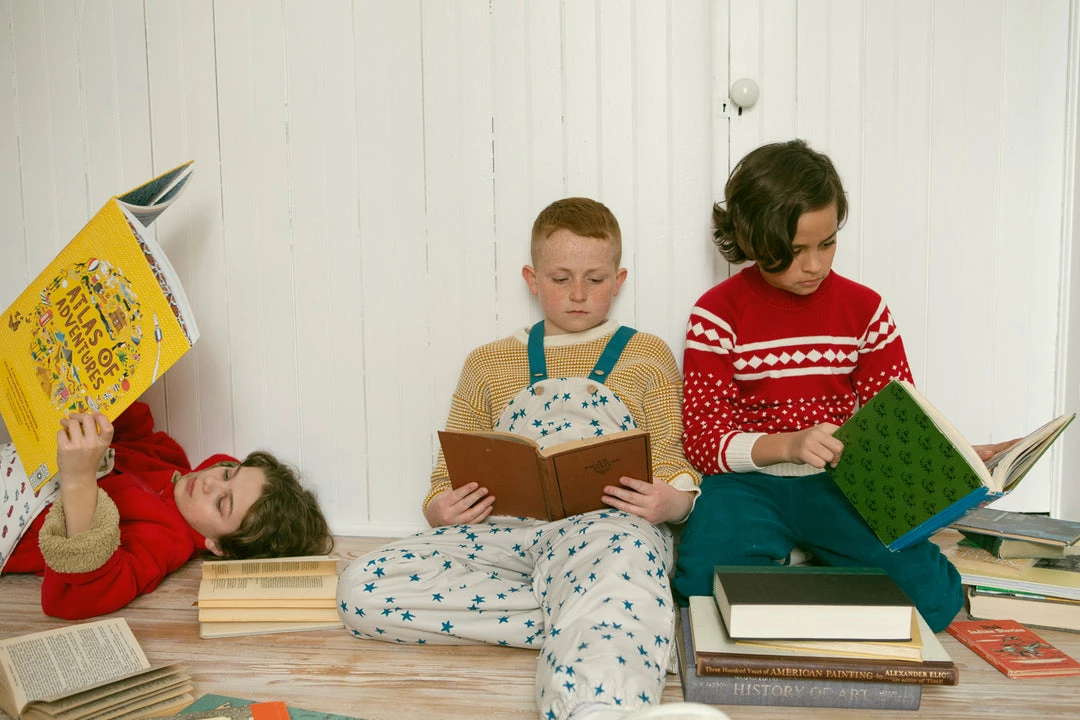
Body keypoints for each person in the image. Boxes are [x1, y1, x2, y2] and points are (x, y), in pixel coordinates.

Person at [336, 198, 730, 720]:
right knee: (361, 589)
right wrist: (440, 509)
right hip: (501, 537)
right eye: (561, 278)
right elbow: (444, 478)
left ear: (619, 281)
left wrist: (673, 502)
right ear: (532, 279)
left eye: (595, 279)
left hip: (607, 534)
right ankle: (609, 616)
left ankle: (596, 704)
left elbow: (673, 463)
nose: (578, 293)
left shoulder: (647, 356)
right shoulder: (487, 363)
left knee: (622, 562)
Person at [670, 139, 1015, 633]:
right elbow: (703, 442)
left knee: (935, 603)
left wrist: (952, 459)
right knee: (702, 594)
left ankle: (797, 562)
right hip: (746, 485)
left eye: (827, 243)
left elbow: (896, 420)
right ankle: (802, 559)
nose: (815, 265)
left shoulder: (864, 310)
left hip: (842, 484)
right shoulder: (717, 313)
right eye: (794, 251)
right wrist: (788, 445)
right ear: (750, 239)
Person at [2, 401, 333, 620]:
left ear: (219, 546)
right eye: (228, 473)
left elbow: (81, 595)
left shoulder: (164, 542)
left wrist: (78, 479)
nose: (209, 483)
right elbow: (124, 417)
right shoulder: (170, 459)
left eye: (222, 503)